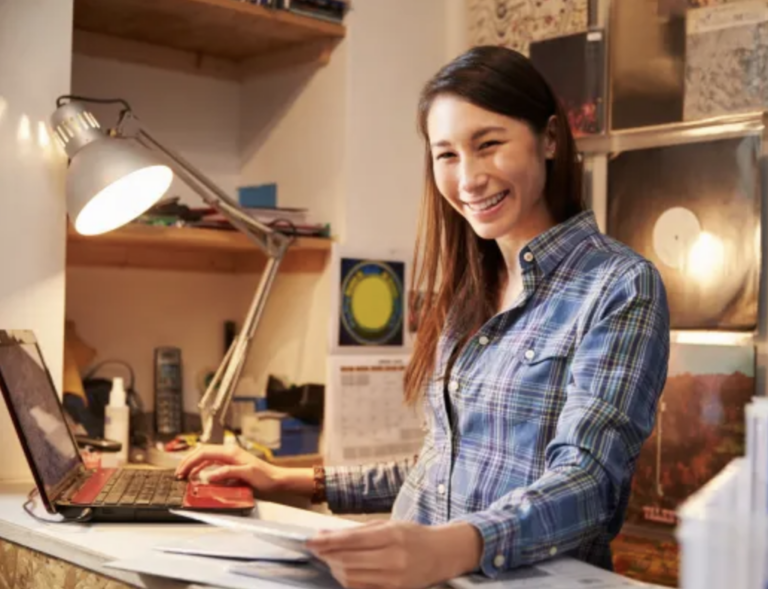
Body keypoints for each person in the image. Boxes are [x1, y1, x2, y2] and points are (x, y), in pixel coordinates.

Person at [176, 45, 670, 589]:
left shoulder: (619, 286)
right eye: (447, 155)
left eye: (488, 145)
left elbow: (588, 484)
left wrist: (451, 548)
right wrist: (291, 479)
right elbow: (442, 470)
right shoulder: (471, 290)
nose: (468, 178)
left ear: (550, 138)